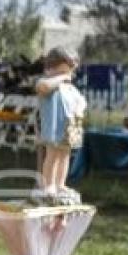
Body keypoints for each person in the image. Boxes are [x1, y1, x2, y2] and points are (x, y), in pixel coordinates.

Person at [33, 46, 86, 204]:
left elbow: (80, 100)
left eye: (71, 69)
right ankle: (49, 184)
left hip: (69, 127)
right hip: (54, 127)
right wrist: (62, 78)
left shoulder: (69, 88)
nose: (70, 73)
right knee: (52, 155)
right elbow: (43, 88)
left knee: (65, 156)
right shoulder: (47, 82)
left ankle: (60, 184)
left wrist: (80, 107)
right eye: (67, 68)